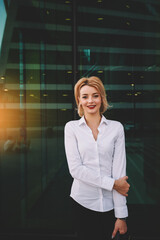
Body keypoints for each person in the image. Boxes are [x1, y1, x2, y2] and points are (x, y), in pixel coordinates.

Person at [64, 76, 130, 240]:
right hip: (82, 202)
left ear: (102, 98)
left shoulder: (116, 128)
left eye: (95, 95)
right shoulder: (71, 128)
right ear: (79, 100)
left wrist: (121, 216)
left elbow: (119, 173)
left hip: (110, 206)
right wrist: (113, 184)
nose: (90, 101)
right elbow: (76, 170)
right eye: (85, 96)